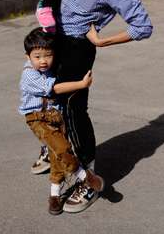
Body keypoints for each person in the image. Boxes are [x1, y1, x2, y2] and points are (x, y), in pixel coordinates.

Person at [50, 0, 153, 213]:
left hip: (79, 46)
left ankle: (88, 180)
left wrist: (104, 41)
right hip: (57, 40)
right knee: (54, 104)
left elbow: (142, 26)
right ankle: (58, 155)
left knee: (74, 111)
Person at [19, 27, 104, 215]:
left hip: (55, 117)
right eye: (37, 56)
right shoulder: (29, 75)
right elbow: (55, 89)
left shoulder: (50, 68)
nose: (43, 61)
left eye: (48, 55)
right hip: (38, 119)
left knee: (57, 159)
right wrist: (81, 84)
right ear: (28, 56)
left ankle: (54, 196)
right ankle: (85, 176)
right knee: (62, 149)